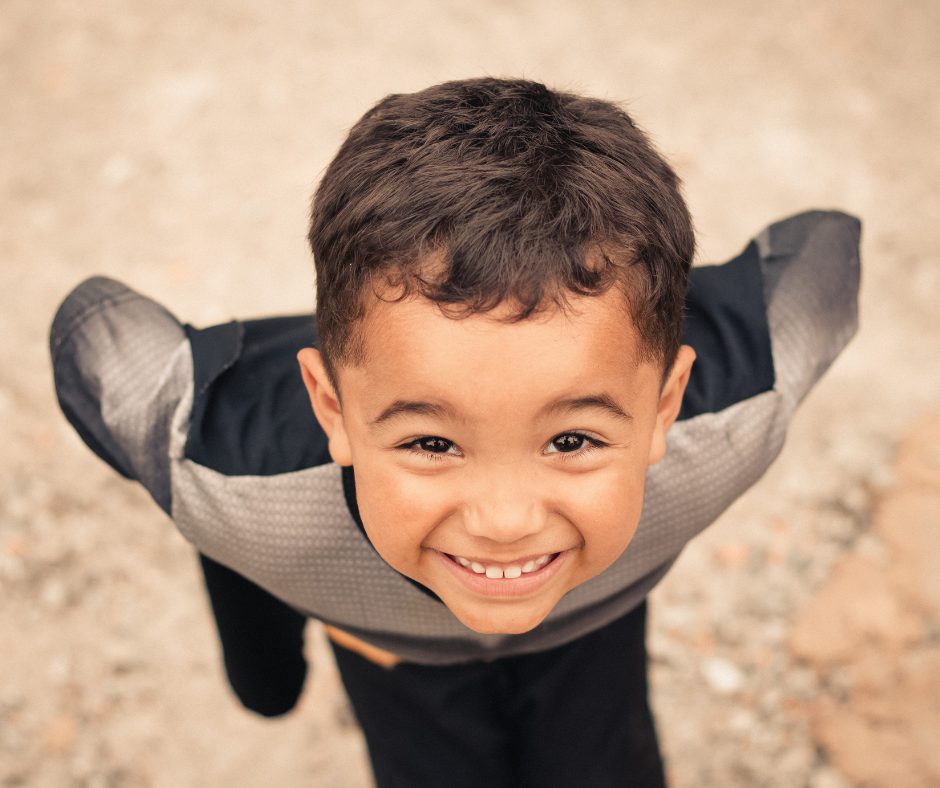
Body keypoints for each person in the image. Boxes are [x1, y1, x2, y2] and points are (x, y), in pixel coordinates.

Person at [50, 77, 860, 788]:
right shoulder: (239, 483)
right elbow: (91, 334)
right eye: (431, 441)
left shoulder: (720, 427)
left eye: (572, 439)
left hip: (588, 616)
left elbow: (831, 248)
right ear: (330, 409)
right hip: (383, 628)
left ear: (664, 406)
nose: (504, 523)